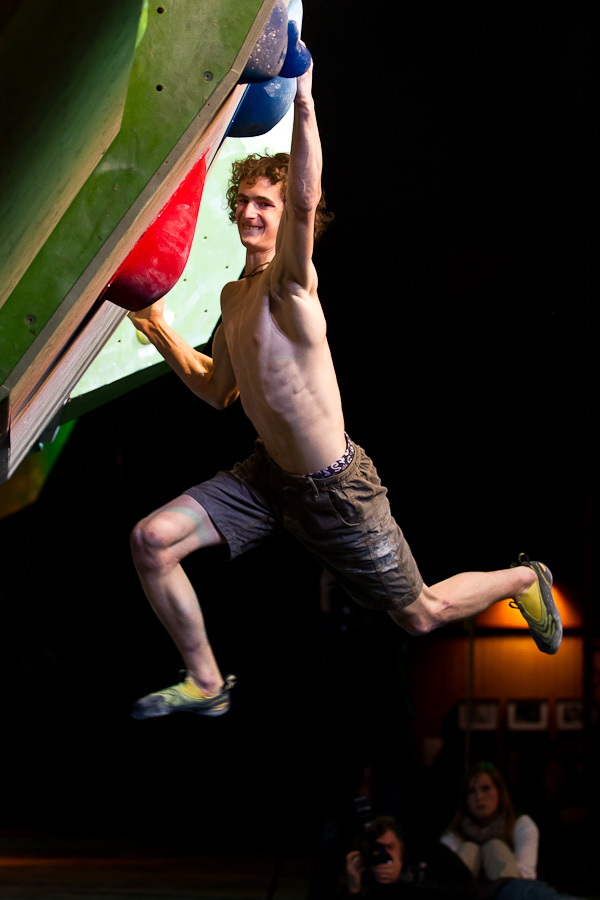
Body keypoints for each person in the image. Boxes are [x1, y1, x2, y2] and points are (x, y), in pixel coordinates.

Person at [126, 54, 562, 720]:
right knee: (152, 542)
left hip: (337, 492)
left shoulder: (291, 286)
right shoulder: (234, 297)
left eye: (264, 203)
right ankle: (207, 683)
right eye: (244, 200)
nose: (250, 211)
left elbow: (305, 199)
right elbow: (217, 391)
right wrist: (160, 331)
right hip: (266, 480)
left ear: (287, 218)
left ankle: (526, 578)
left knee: (420, 614)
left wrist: (303, 100)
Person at [441, 762, 585, 899]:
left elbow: (526, 878)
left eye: (485, 788)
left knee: (494, 848)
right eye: (471, 791)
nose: (479, 797)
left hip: (510, 895)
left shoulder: (520, 825)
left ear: (499, 791)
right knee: (469, 849)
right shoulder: (454, 834)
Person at [342, 815, 470, 898]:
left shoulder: (427, 852)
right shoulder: (367, 880)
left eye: (390, 847)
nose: (386, 855)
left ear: (401, 844)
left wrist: (404, 875)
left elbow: (465, 887)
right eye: (378, 850)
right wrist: (353, 889)